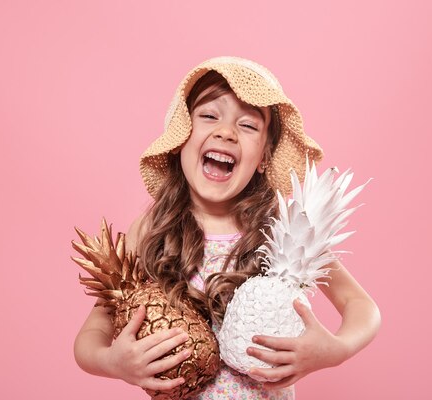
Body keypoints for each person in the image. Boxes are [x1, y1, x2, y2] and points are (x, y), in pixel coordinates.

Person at [74, 56, 381, 399]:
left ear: (264, 157)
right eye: (208, 116)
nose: (225, 132)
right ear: (181, 139)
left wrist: (335, 349)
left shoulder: (282, 230)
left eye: (248, 125)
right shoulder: (151, 228)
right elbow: (91, 335)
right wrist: (112, 362)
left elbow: (362, 306)